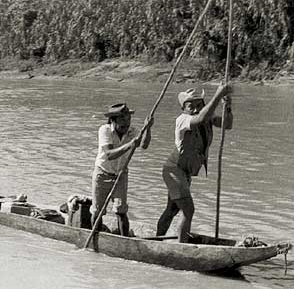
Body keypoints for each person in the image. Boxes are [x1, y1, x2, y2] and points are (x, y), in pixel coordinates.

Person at [156, 84, 233, 243]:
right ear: (184, 109)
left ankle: (157, 240)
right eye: (191, 107)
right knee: (188, 209)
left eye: (199, 105)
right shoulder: (183, 119)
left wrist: (228, 106)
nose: (196, 109)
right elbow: (200, 119)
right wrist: (218, 95)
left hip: (184, 172)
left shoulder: (208, 116)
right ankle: (181, 246)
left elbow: (228, 124)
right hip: (174, 170)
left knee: (172, 210)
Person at [91, 103, 152, 236]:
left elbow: (144, 145)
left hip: (120, 174)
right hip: (103, 173)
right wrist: (130, 145)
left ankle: (124, 240)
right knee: (98, 210)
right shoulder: (105, 130)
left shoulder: (132, 131)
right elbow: (109, 154)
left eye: (128, 119)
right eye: (122, 120)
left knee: (121, 210)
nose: (126, 123)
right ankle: (95, 238)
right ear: (113, 120)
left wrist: (148, 128)